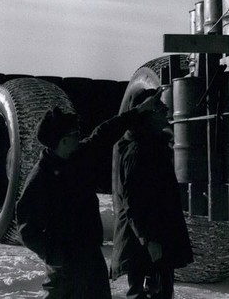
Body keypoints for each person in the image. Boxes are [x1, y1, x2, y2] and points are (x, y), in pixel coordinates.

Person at [16, 89, 164, 299]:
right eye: (74, 134)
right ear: (63, 141)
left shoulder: (78, 156)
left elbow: (104, 133)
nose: (79, 137)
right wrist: (57, 256)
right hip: (65, 267)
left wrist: (139, 110)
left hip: (90, 256)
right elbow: (26, 228)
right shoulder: (41, 177)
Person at [111, 89, 193, 299]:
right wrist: (147, 240)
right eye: (159, 107)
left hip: (154, 241)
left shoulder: (153, 146)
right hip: (145, 246)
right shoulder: (139, 150)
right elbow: (133, 200)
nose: (166, 109)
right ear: (146, 116)